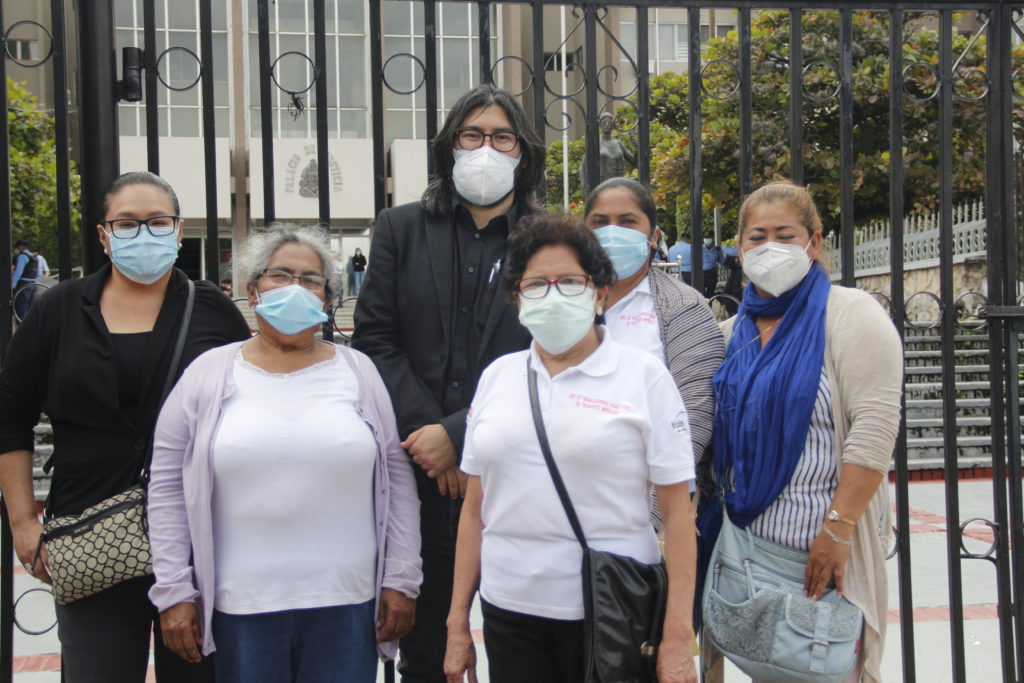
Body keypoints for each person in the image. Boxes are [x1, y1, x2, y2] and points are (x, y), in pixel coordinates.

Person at [0, 171, 251, 683]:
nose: (144, 234)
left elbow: (249, 412)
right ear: (103, 234)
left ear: (178, 231)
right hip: (90, 532)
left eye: (158, 222)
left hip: (197, 537)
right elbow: (11, 416)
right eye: (128, 223)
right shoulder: (58, 309)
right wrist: (24, 523)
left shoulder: (212, 311)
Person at [147, 225, 422, 683]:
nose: (296, 288)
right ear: (252, 291)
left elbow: (396, 481)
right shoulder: (209, 373)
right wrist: (174, 590)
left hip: (346, 607)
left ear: (327, 299)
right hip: (242, 610)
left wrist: (401, 578)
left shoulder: (359, 372)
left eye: (311, 280)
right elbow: (167, 487)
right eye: (281, 275)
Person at [443, 213, 699, 683]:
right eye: (536, 284)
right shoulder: (498, 377)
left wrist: (678, 636)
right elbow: (475, 508)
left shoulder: (643, 377)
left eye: (570, 281)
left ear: (600, 293)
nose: (553, 294)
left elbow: (680, 516)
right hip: (509, 610)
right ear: (518, 299)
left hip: (609, 612)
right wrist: (458, 618)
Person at [353, 84, 546, 682]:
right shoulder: (401, 228)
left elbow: (557, 353)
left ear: (521, 151)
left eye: (501, 136)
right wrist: (429, 433)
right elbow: (375, 339)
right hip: (422, 475)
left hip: (518, 477)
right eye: (472, 134)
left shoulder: (548, 238)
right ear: (449, 147)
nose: (486, 147)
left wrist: (462, 435)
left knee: (529, 651)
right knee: (431, 655)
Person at [698, 182, 903, 683]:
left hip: (823, 556)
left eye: (785, 235)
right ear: (740, 248)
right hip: (742, 551)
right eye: (757, 236)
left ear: (813, 242)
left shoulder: (850, 315)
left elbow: (875, 430)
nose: (771, 248)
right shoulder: (731, 334)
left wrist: (838, 530)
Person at [582, 177, 724, 499]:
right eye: (600, 223)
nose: (612, 233)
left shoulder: (682, 308)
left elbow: (693, 423)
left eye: (628, 222)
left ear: (654, 237)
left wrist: (652, 518)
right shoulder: (559, 298)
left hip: (643, 508)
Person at [11, 239, 39, 321]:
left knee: (21, 310)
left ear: (21, 247)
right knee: (30, 310)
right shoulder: (34, 258)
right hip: (33, 285)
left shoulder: (22, 256)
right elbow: (38, 273)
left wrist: (12, 285)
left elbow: (18, 272)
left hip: (23, 285)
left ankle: (21, 331)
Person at [719, 238, 742, 316]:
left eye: (736, 242)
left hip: (740, 273)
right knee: (727, 293)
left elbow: (732, 252)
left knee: (736, 293)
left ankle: (736, 313)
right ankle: (732, 313)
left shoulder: (741, 249)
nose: (735, 244)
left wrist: (725, 248)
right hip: (735, 272)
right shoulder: (735, 249)